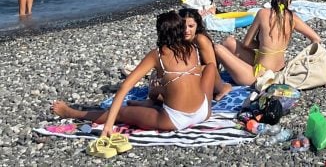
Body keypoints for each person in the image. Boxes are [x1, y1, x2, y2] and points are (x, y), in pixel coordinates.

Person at [52, 11, 217, 133]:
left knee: (122, 113)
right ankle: (152, 103)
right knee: (208, 68)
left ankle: (72, 112)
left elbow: (125, 88)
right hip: (203, 111)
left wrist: (109, 125)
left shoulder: (158, 54)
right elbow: (197, 72)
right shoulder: (193, 48)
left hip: (174, 120)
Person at [214, 0, 320, 86]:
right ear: (289, 3)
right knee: (229, 42)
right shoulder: (293, 18)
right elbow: (316, 39)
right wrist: (305, 59)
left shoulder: (263, 13)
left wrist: (264, 46)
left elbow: (247, 43)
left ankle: (214, 77)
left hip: (259, 76)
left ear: (273, 1)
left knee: (219, 47)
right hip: (279, 70)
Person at [148, 9, 231, 104]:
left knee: (167, 95)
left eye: (191, 26)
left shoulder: (200, 39)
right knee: (155, 79)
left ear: (197, 26)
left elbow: (212, 68)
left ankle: (224, 88)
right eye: (183, 26)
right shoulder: (179, 40)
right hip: (189, 77)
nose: (186, 30)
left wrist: (182, 73)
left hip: (205, 78)